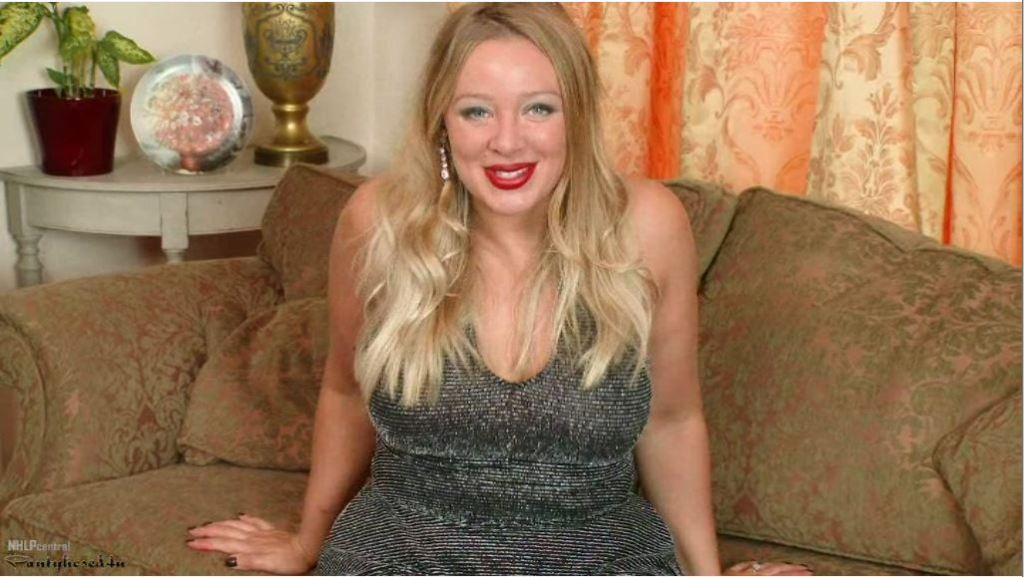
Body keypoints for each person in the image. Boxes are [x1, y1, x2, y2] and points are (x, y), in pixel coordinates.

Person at [185, 4, 813, 576]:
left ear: (577, 116)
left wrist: (705, 573)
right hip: (399, 558)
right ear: (441, 122)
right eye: (476, 111)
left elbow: (673, 421)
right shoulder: (380, 224)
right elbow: (345, 393)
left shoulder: (648, 227)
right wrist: (307, 542)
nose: (507, 141)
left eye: (539, 108)